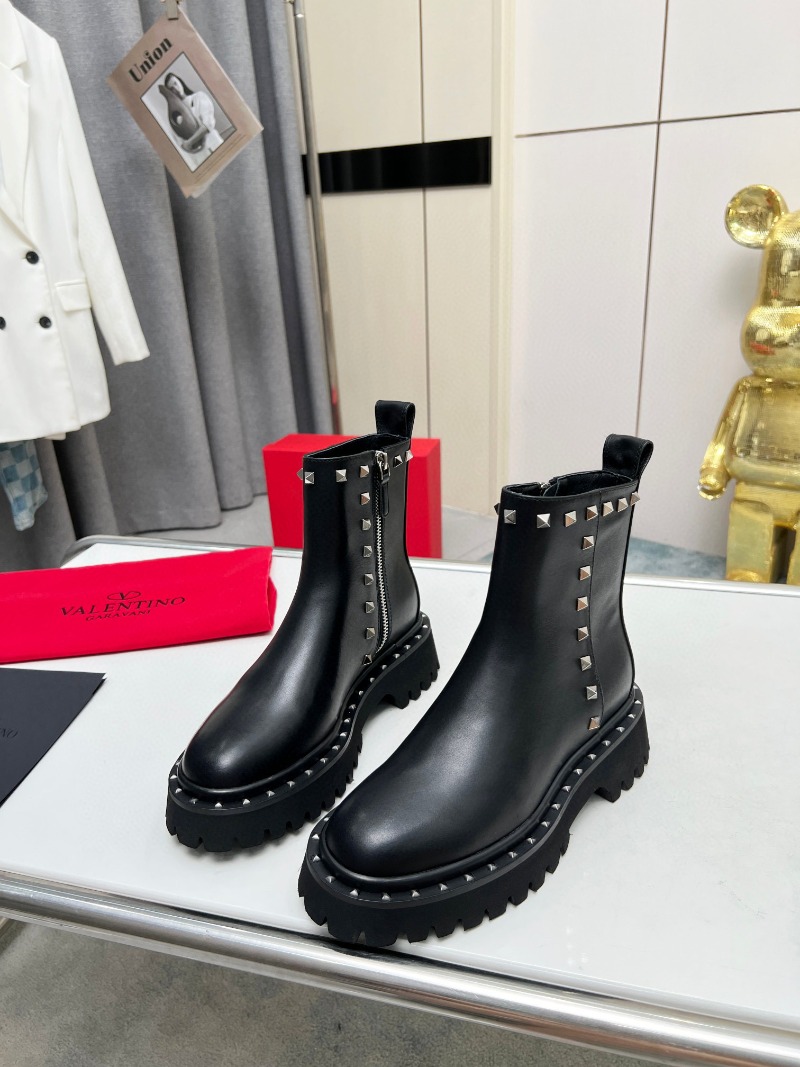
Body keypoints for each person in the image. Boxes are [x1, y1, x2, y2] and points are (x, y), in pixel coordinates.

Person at [161, 72, 223, 167]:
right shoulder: (176, 115)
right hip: (199, 156)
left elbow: (208, 124)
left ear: (180, 82)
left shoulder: (199, 96)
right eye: (172, 89)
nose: (175, 88)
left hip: (214, 144)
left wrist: (189, 142)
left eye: (175, 83)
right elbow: (181, 139)